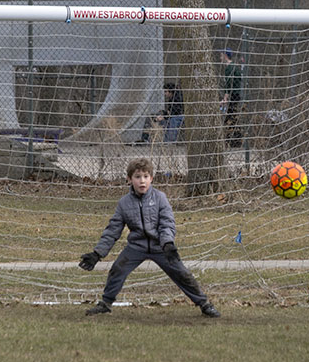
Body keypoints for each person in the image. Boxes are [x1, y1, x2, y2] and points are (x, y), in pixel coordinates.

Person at [79, 157, 220, 318]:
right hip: (136, 247)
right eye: (137, 177)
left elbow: (167, 223)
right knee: (117, 269)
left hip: (161, 247)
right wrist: (97, 253)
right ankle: (105, 304)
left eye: (146, 177)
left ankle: (204, 304)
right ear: (129, 179)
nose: (142, 181)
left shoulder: (160, 198)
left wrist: (167, 244)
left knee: (182, 273)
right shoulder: (124, 203)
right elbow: (113, 230)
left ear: (151, 178)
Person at [220, 48, 242, 147]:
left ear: (225, 55)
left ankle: (230, 142)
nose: (220, 57)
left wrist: (225, 97)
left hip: (233, 95)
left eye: (221, 55)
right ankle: (234, 141)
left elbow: (229, 84)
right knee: (233, 118)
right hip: (236, 95)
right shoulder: (234, 66)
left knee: (230, 118)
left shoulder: (229, 68)